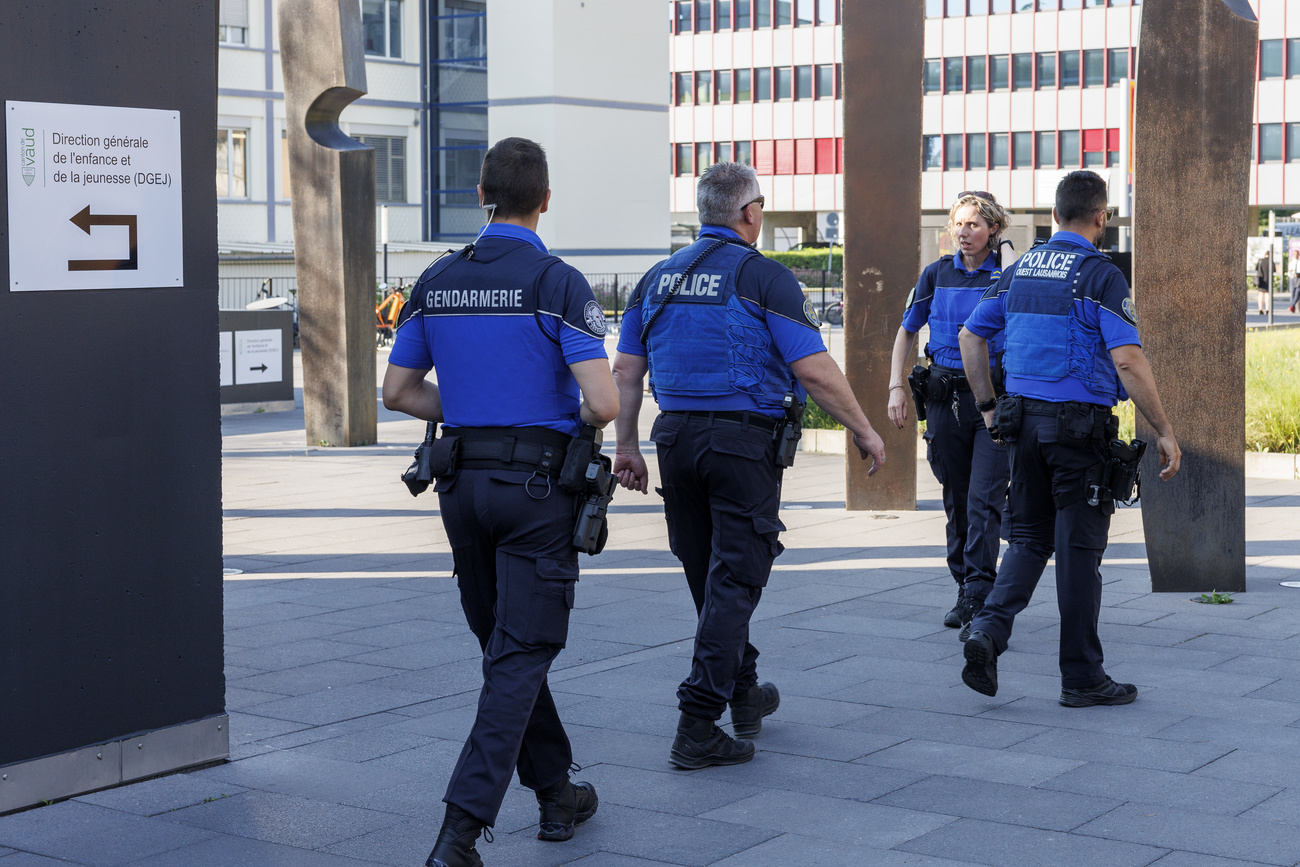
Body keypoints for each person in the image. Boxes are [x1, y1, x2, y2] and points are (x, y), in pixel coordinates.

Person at [382, 137, 618, 867]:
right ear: (544, 199)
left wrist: (477, 411)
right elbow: (603, 402)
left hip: (461, 488)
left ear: (482, 193)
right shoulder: (557, 281)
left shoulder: (438, 277)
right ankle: (459, 832)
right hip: (536, 491)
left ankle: (555, 791)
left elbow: (398, 392)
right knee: (519, 654)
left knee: (507, 646)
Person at [610, 162, 886, 769]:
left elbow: (626, 370)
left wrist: (626, 445)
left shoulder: (655, 279)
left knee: (708, 572)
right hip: (740, 444)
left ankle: (743, 692)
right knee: (735, 579)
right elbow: (813, 368)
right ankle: (698, 722)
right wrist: (863, 430)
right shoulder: (764, 277)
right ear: (750, 214)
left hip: (676, 439)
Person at [957, 170, 1181, 707]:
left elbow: (970, 336)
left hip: (1023, 428)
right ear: (1101, 217)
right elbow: (1127, 359)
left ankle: (987, 631)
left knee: (1030, 540)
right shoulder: (1101, 275)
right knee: (1079, 552)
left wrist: (989, 408)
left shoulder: (1020, 270)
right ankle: (1081, 677)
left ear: (1055, 215)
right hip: (1078, 433)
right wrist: (1165, 430)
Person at [886, 192, 1013, 634]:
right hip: (944, 400)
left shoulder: (1007, 274)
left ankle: (979, 593)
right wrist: (896, 386)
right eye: (957, 224)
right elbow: (906, 332)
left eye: (974, 225)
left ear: (994, 229)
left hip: (993, 404)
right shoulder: (934, 275)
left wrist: (1006, 255)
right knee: (957, 501)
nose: (962, 232)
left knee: (983, 499)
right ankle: (965, 584)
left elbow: (1015, 277)